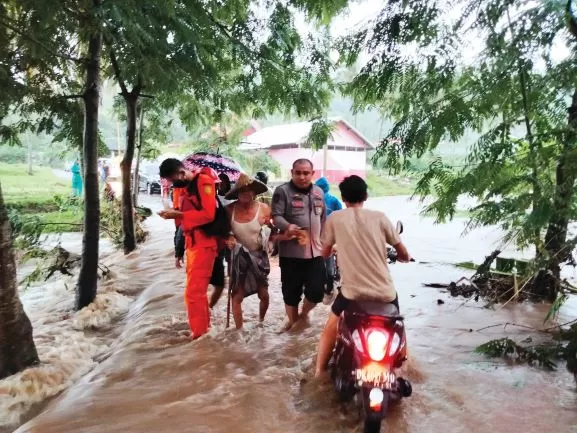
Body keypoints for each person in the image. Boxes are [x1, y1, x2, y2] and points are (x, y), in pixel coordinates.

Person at [314, 175, 411, 378]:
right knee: (398, 326)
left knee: (330, 328)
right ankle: (403, 370)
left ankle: (319, 372)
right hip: (385, 293)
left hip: (352, 295)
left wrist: (334, 250)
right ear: (365, 195)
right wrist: (404, 257)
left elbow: (324, 252)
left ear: (343, 197)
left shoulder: (335, 218)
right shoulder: (381, 217)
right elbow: (403, 253)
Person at [158, 158, 230, 339]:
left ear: (182, 173)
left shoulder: (204, 182)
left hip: (204, 244)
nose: (174, 184)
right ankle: (203, 330)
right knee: (196, 292)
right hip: (194, 244)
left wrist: (179, 214)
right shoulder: (186, 188)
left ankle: (199, 335)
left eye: (174, 180)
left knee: (193, 293)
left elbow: (208, 215)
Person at [271, 159, 326, 330]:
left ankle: (303, 315)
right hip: (291, 254)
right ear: (292, 173)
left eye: (306, 173)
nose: (302, 177)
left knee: (317, 292)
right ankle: (295, 330)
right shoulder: (282, 192)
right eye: (298, 173)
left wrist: (325, 241)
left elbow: (322, 219)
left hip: (315, 252)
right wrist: (288, 226)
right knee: (291, 294)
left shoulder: (319, 192)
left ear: (312, 174)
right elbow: (276, 216)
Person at [223, 173, 272, 329]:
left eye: (249, 190)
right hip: (238, 257)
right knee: (237, 296)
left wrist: (270, 235)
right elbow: (220, 232)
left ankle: (261, 322)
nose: (246, 193)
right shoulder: (228, 210)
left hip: (259, 257)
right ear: (237, 192)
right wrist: (228, 238)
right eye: (242, 190)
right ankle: (239, 331)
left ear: (254, 193)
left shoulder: (264, 209)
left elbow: (274, 229)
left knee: (263, 294)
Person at [315, 176, 343, 301]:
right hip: (331, 235)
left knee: (316, 260)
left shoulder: (312, 200)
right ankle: (329, 287)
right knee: (329, 260)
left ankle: (319, 287)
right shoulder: (334, 200)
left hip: (315, 236)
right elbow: (341, 217)